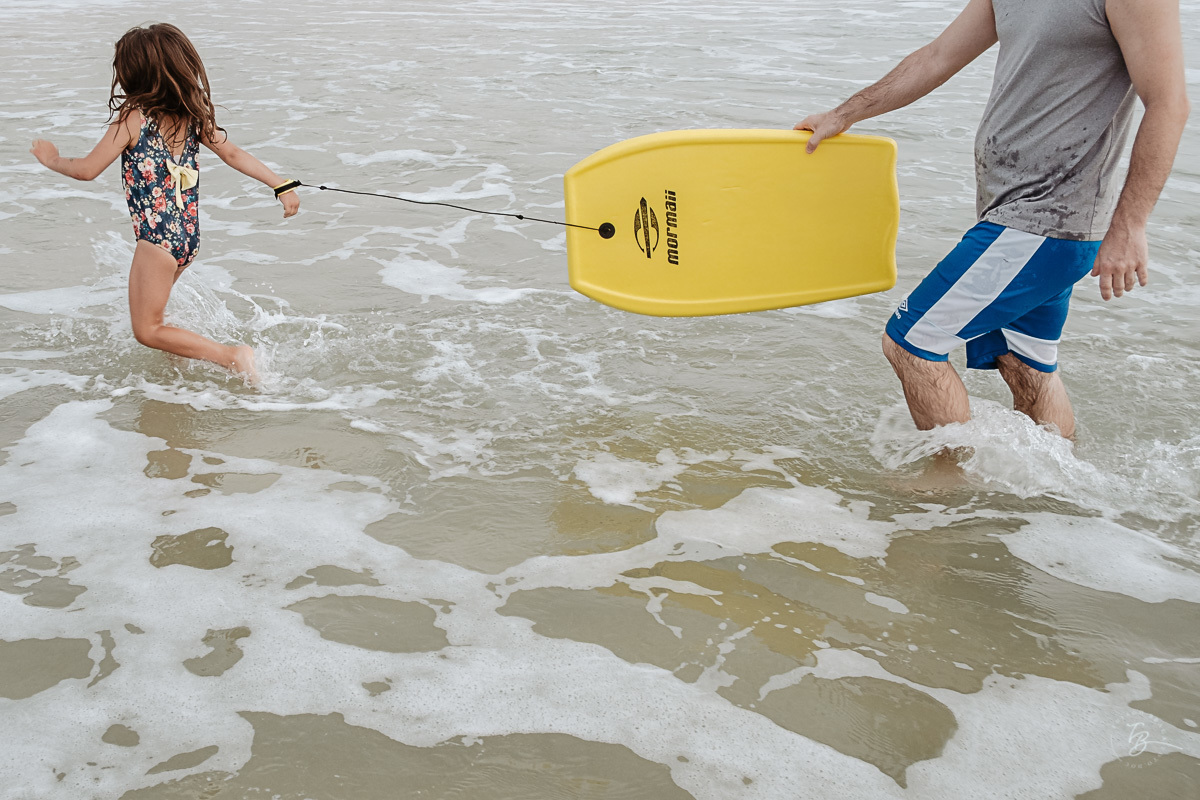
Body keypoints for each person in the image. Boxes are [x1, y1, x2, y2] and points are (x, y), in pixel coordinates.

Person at [797, 0, 1189, 439]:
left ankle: (947, 491)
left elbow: (1169, 103)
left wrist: (1130, 225)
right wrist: (843, 115)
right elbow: (936, 57)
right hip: (1013, 218)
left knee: (910, 343)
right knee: (1024, 363)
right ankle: (1053, 494)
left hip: (1048, 219)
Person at [30, 23, 301, 384]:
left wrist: (52, 160)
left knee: (147, 329)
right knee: (157, 314)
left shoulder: (132, 118)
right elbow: (233, 153)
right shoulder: (192, 115)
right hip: (187, 236)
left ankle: (232, 357)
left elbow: (87, 170)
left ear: (134, 73)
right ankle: (180, 370)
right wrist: (281, 185)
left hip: (157, 239)